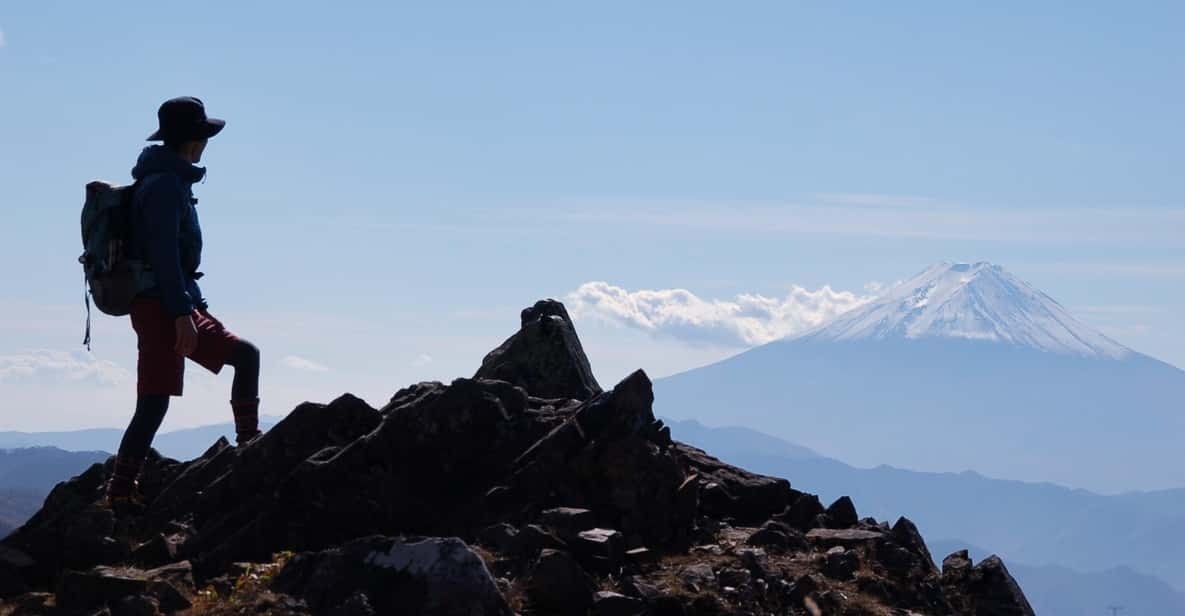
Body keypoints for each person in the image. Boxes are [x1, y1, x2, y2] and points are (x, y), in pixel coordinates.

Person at [106, 97, 262, 505]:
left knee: (154, 401)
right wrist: (182, 314)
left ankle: (121, 491)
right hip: (165, 306)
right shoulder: (165, 187)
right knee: (245, 357)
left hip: (162, 302)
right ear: (195, 140)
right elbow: (164, 255)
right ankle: (252, 452)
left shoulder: (161, 180)